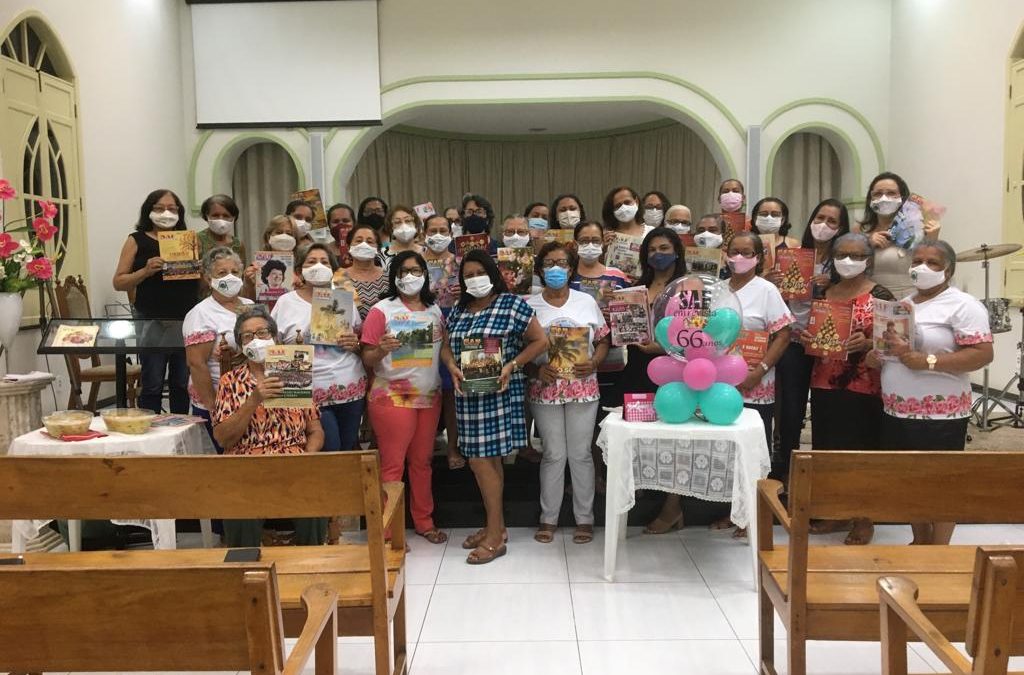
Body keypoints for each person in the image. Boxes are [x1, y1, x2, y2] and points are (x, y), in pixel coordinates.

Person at [867, 239, 993, 545]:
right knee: (909, 481)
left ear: (948, 270)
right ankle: (920, 540)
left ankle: (940, 548)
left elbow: (982, 354)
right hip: (897, 409)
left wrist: (928, 361)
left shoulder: (963, 305)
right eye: (917, 261)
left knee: (941, 482)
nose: (922, 268)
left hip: (940, 414)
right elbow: (894, 349)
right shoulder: (904, 304)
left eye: (932, 262)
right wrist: (877, 355)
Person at [443, 249, 547, 564]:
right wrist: (451, 366)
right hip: (468, 396)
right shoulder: (458, 310)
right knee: (488, 462)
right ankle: (496, 527)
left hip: (499, 393)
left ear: (493, 274)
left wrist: (512, 365)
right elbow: (446, 347)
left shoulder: (512, 304)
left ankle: (494, 536)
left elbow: (540, 341)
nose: (475, 279)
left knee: (480, 461)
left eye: (480, 273)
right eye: (468, 275)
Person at [803, 233, 893, 545]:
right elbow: (811, 327)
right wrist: (809, 337)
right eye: (842, 254)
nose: (848, 261)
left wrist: (867, 342)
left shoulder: (880, 294)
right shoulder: (824, 291)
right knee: (827, 448)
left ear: (869, 260)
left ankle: (864, 518)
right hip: (824, 381)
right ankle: (836, 512)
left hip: (864, 384)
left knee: (861, 451)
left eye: (856, 256)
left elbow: (894, 339)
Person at [212, 306, 327, 547]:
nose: (256, 339)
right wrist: (254, 399)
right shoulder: (230, 381)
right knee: (239, 504)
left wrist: (308, 455)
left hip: (293, 462)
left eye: (262, 333)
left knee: (315, 497)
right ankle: (245, 563)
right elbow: (223, 439)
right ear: (241, 345)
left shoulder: (294, 372)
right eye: (247, 336)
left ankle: (311, 559)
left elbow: (315, 430)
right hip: (247, 465)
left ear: (274, 337)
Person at [361, 250, 449, 544]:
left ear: (425, 275)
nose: (409, 277)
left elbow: (443, 349)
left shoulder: (434, 310)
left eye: (415, 271)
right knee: (392, 465)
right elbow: (367, 357)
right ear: (394, 276)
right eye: (403, 271)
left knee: (422, 462)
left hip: (429, 396)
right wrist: (381, 349)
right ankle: (387, 531)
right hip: (392, 397)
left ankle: (424, 521)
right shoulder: (381, 310)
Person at [526, 242, 610, 545]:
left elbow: (603, 339)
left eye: (562, 263)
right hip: (544, 389)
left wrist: (595, 362)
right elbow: (518, 350)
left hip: (582, 388)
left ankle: (584, 519)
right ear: (540, 269)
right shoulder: (529, 305)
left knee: (581, 454)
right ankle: (548, 518)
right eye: (549, 263)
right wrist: (535, 370)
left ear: (571, 268)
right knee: (553, 454)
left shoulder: (586, 301)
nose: (555, 269)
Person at [772, 199, 850, 481]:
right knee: (790, 409)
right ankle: (786, 471)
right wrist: (773, 282)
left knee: (826, 409)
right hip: (794, 341)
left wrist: (834, 283)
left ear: (841, 228)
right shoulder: (794, 255)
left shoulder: (844, 261)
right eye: (819, 218)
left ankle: (822, 474)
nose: (823, 225)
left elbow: (854, 293)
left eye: (832, 221)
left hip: (828, 345)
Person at [271, 243, 367, 452]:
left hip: (349, 388)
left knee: (347, 449)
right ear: (299, 270)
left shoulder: (344, 299)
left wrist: (355, 344)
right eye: (311, 262)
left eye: (324, 262)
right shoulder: (285, 302)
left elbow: (361, 343)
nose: (318, 266)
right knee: (328, 449)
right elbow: (274, 347)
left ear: (333, 269)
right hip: (306, 392)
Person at [113, 189, 198, 414]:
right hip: (152, 319)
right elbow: (119, 282)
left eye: (172, 209)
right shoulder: (136, 240)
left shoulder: (188, 241)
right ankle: (149, 427)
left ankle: (180, 426)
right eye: (159, 208)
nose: (166, 213)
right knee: (152, 382)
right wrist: (145, 271)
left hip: (185, 319)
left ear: (179, 212)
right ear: (148, 211)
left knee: (181, 383)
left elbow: (200, 282)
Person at [628, 228, 689, 534]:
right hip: (638, 367)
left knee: (673, 437)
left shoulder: (689, 287)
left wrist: (662, 347)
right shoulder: (636, 287)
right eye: (652, 249)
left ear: (676, 251)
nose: (657, 254)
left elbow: (696, 333)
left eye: (664, 248)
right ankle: (642, 490)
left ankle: (673, 506)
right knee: (640, 434)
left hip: (674, 369)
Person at [182, 247, 253, 451]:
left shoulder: (249, 306)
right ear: (208, 278)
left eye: (235, 272)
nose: (230, 277)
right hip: (217, 398)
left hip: (248, 397)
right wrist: (214, 408)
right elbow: (196, 364)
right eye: (222, 273)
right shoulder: (201, 313)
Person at [858, 172, 940, 300]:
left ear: (902, 197)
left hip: (910, 300)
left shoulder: (919, 229)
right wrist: (867, 245)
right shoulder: (860, 231)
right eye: (878, 193)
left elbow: (930, 269)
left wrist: (932, 239)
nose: (884, 198)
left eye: (891, 193)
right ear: (870, 199)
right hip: (871, 301)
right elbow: (851, 273)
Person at [422, 214, 463, 469]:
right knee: (426, 390)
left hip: (453, 324)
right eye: (432, 230)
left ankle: (453, 447)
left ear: (451, 233)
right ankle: (424, 447)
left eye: (443, 230)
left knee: (451, 392)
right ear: (424, 233)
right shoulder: (415, 261)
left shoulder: (461, 262)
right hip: (422, 325)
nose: (438, 235)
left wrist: (464, 291)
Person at [333, 224, 389, 322]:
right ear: (348, 246)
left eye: (370, 241)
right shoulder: (340, 277)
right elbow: (337, 316)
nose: (364, 245)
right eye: (358, 241)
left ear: (378, 248)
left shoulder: (388, 276)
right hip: (351, 330)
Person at [750, 196, 800, 273]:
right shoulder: (747, 243)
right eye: (763, 214)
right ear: (755, 219)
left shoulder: (792, 244)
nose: (769, 218)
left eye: (775, 214)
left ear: (782, 220)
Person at [196, 194, 245, 264]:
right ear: (206, 216)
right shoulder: (195, 241)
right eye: (215, 215)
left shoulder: (238, 245)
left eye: (226, 216)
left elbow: (241, 269)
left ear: (234, 218)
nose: (221, 219)